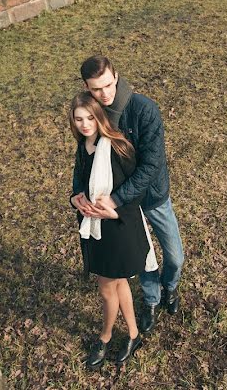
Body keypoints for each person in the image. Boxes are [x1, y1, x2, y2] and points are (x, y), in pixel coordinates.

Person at [75, 55, 185, 335]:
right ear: (87, 87)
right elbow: (82, 155)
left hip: (151, 196)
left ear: (116, 75)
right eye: (96, 89)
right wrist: (77, 191)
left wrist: (116, 199)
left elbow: (151, 165)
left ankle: (170, 286)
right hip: (122, 208)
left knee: (174, 256)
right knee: (143, 256)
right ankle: (151, 300)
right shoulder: (92, 111)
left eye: (109, 85)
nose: (105, 94)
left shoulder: (144, 109)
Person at [69, 92, 156, 369]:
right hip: (99, 231)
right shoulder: (84, 147)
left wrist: (114, 210)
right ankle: (132, 334)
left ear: (99, 116)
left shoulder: (117, 147)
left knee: (107, 290)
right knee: (119, 284)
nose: (84, 124)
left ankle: (105, 337)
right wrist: (75, 197)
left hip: (120, 228)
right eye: (78, 119)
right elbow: (79, 183)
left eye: (90, 118)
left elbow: (135, 193)